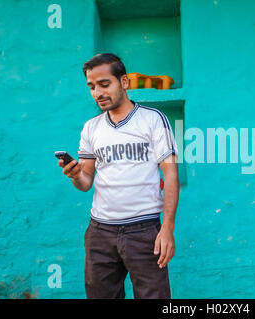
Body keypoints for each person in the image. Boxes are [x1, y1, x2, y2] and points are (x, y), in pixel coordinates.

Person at [57, 53, 179, 299]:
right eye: (92, 87)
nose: (97, 93)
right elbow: (86, 182)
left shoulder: (153, 120)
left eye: (104, 84)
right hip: (100, 233)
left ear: (123, 82)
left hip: (144, 231)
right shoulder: (91, 128)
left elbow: (171, 175)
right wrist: (75, 175)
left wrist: (167, 229)